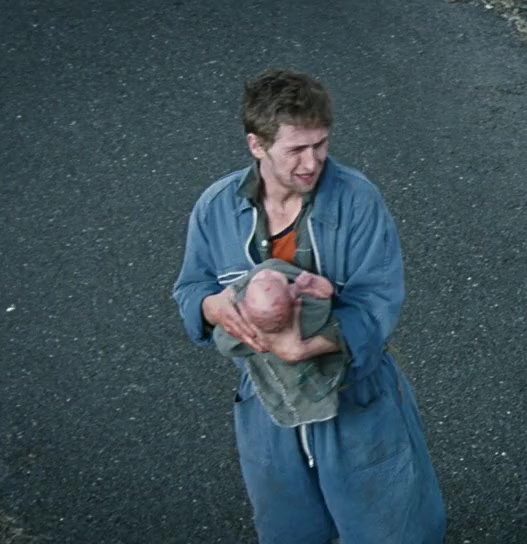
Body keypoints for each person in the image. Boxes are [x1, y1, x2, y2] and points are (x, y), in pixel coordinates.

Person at [172, 68, 446, 543]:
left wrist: (306, 346)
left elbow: (377, 303)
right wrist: (213, 308)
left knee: (390, 530)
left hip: (356, 398)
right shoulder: (215, 208)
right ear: (257, 145)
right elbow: (191, 288)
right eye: (296, 149)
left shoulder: (357, 200)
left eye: (321, 144)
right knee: (290, 532)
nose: (313, 162)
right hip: (267, 402)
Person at [213, 259, 348, 429]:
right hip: (277, 397)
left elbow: (223, 342)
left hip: (340, 398)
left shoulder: (245, 327)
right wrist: (208, 306)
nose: (266, 273)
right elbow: (193, 285)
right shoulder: (309, 307)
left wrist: (305, 349)